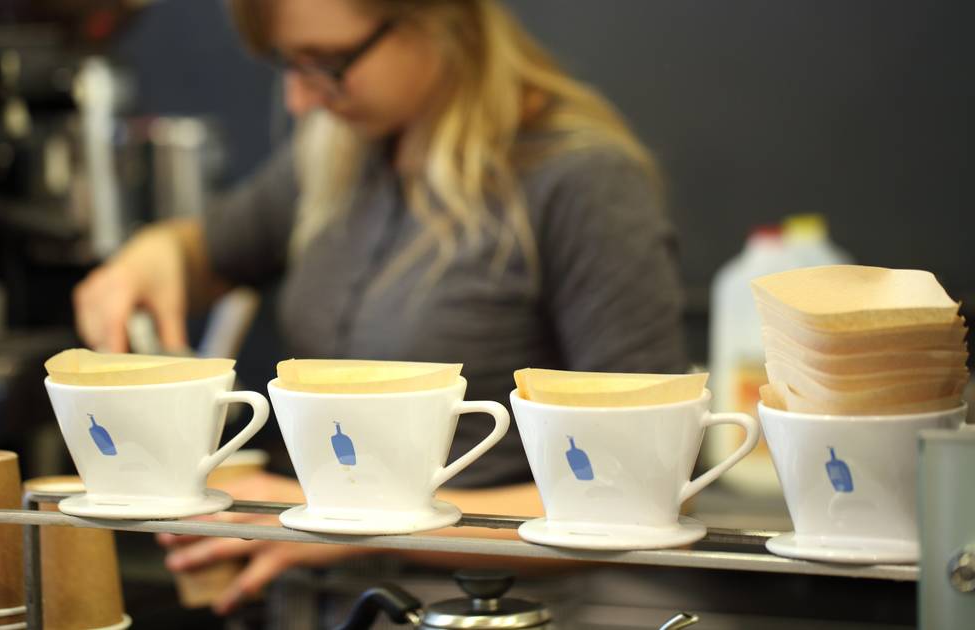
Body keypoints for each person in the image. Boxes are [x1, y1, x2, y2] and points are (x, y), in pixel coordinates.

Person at [73, 0, 686, 621]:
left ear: (439, 20)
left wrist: (339, 518)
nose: (300, 100)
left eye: (328, 63)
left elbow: (637, 500)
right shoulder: (341, 152)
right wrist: (150, 256)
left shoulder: (583, 184)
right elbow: (204, 249)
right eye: (289, 64)